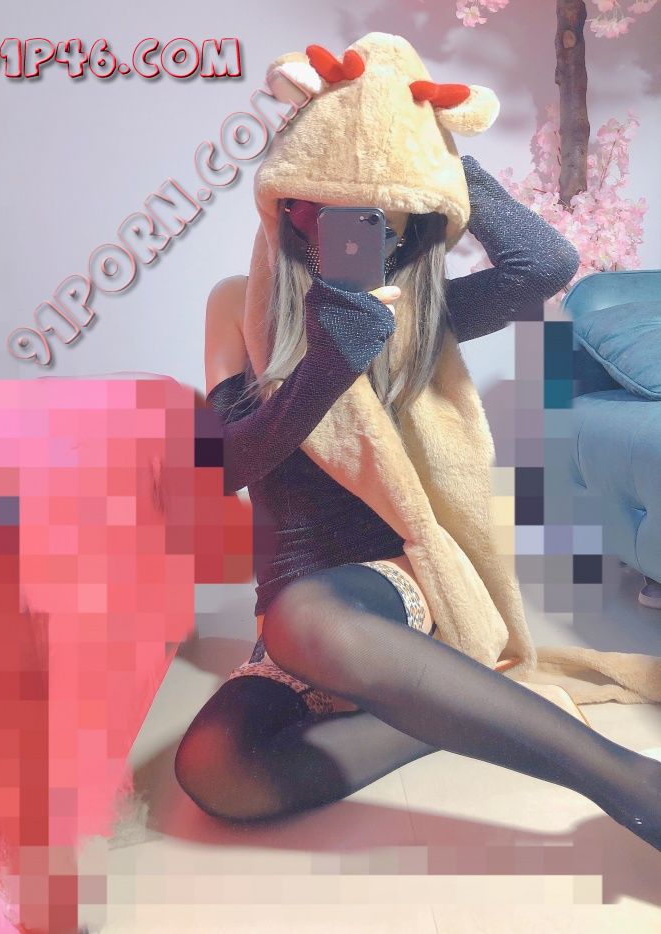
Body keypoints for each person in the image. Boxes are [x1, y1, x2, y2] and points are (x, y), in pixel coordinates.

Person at [173, 152, 661, 853]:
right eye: (315, 208)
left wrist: (435, 153)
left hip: (392, 578)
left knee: (304, 617)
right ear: (284, 208)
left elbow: (544, 265)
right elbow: (225, 464)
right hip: (289, 616)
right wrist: (329, 360)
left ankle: (632, 783)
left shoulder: (416, 311)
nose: (339, 228)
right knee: (216, 770)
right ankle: (443, 715)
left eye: (370, 213)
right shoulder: (238, 303)